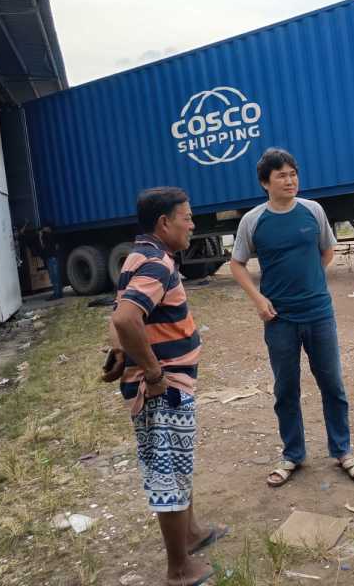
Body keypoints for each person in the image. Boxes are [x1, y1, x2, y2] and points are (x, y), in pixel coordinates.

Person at [229, 148, 354, 487]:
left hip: (319, 314)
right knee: (286, 389)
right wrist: (259, 299)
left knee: (332, 385)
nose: (290, 180)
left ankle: (343, 451)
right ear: (265, 183)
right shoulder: (253, 220)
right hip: (279, 319)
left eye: (293, 174)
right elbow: (237, 264)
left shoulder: (313, 211)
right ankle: (293, 454)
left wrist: (310, 281)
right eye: (281, 175)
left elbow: (327, 250)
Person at [110, 187, 226, 586]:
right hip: (164, 389)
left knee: (178, 463)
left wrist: (120, 352)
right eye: (186, 218)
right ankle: (179, 569)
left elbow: (119, 315)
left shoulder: (138, 256)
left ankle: (190, 534)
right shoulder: (156, 263)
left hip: (167, 383)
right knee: (169, 472)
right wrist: (154, 373)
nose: (192, 225)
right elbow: (126, 318)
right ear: (164, 223)